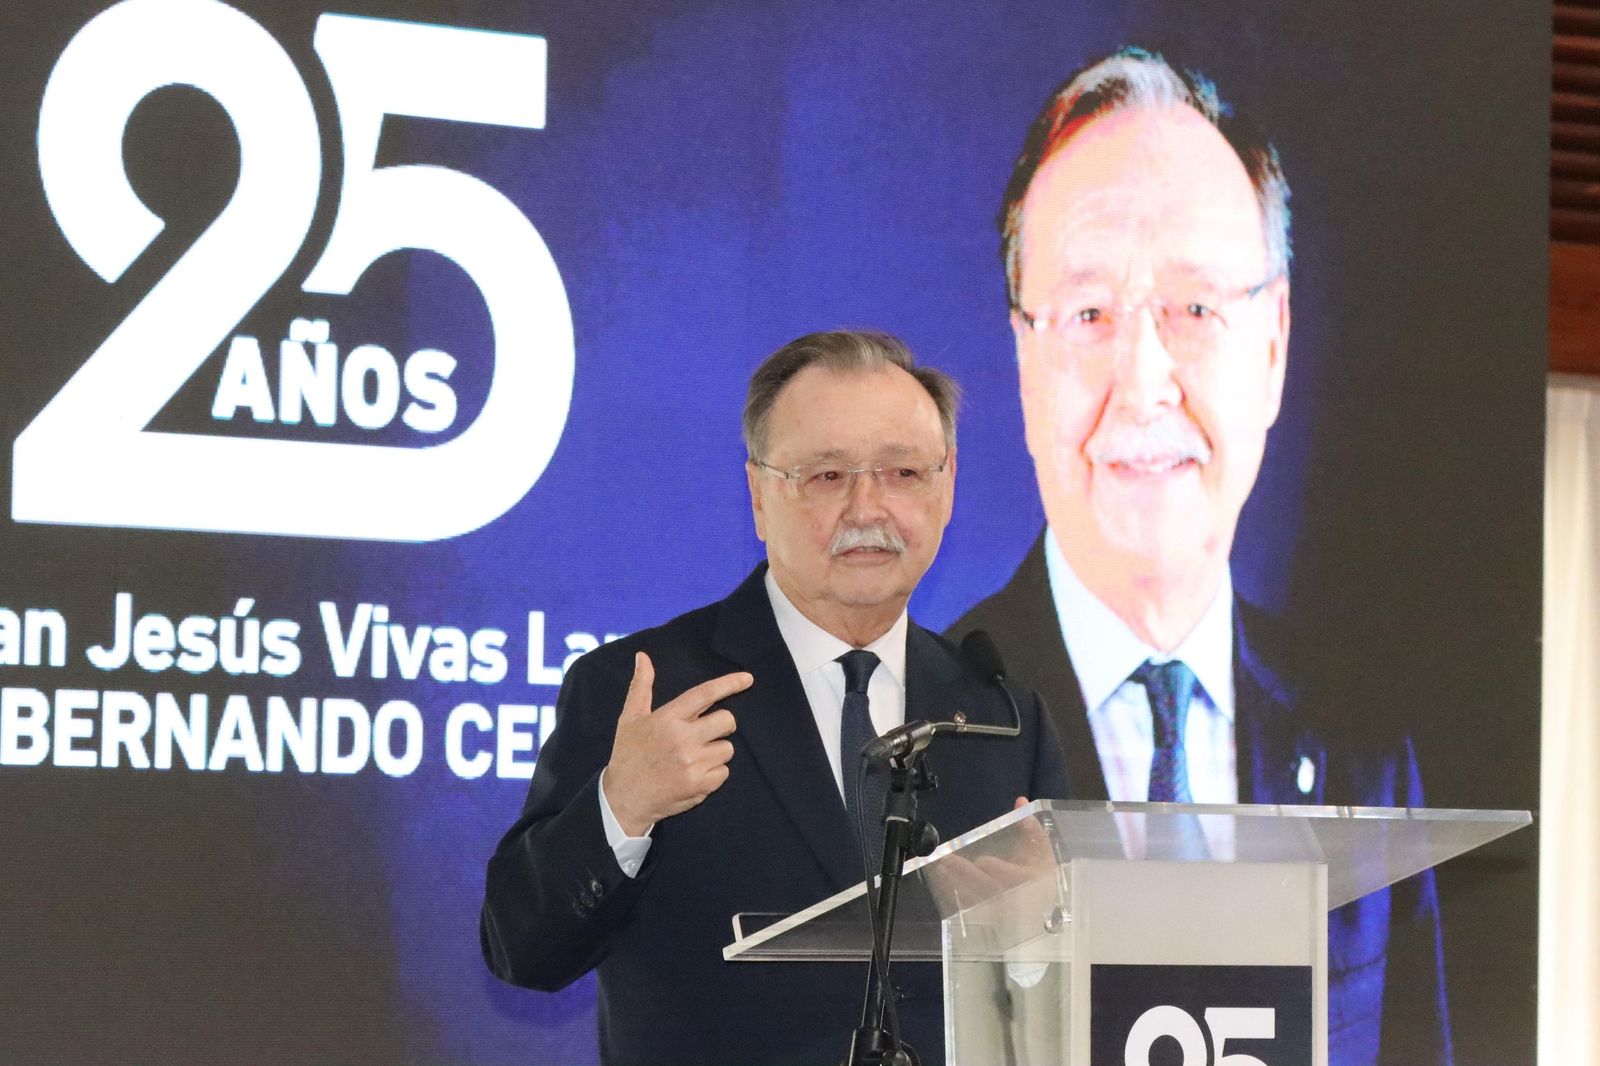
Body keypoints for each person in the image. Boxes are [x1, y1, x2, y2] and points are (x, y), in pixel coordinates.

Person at [947, 48, 1451, 1064]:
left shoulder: (1361, 746)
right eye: (1089, 314)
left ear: (1271, 346)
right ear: (1022, 357)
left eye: (1194, 310)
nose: (1143, 382)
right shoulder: (921, 736)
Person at [482, 329, 1069, 1066]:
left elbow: (1066, 1012)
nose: (868, 506)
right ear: (760, 496)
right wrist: (621, 807)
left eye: (903, 472)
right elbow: (524, 950)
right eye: (826, 476)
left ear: (946, 489)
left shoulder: (1004, 717)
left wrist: (1042, 943)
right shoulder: (648, 691)